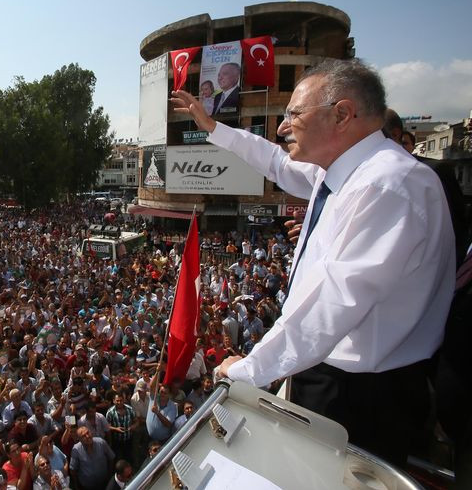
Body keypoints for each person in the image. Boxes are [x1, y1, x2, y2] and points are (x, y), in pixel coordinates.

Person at [170, 58, 455, 466]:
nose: (283, 126)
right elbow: (276, 163)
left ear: (341, 115)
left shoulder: (390, 185)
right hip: (326, 371)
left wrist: (251, 369)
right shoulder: (340, 173)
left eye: (294, 114)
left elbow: (334, 302)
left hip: (361, 396)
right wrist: (214, 128)